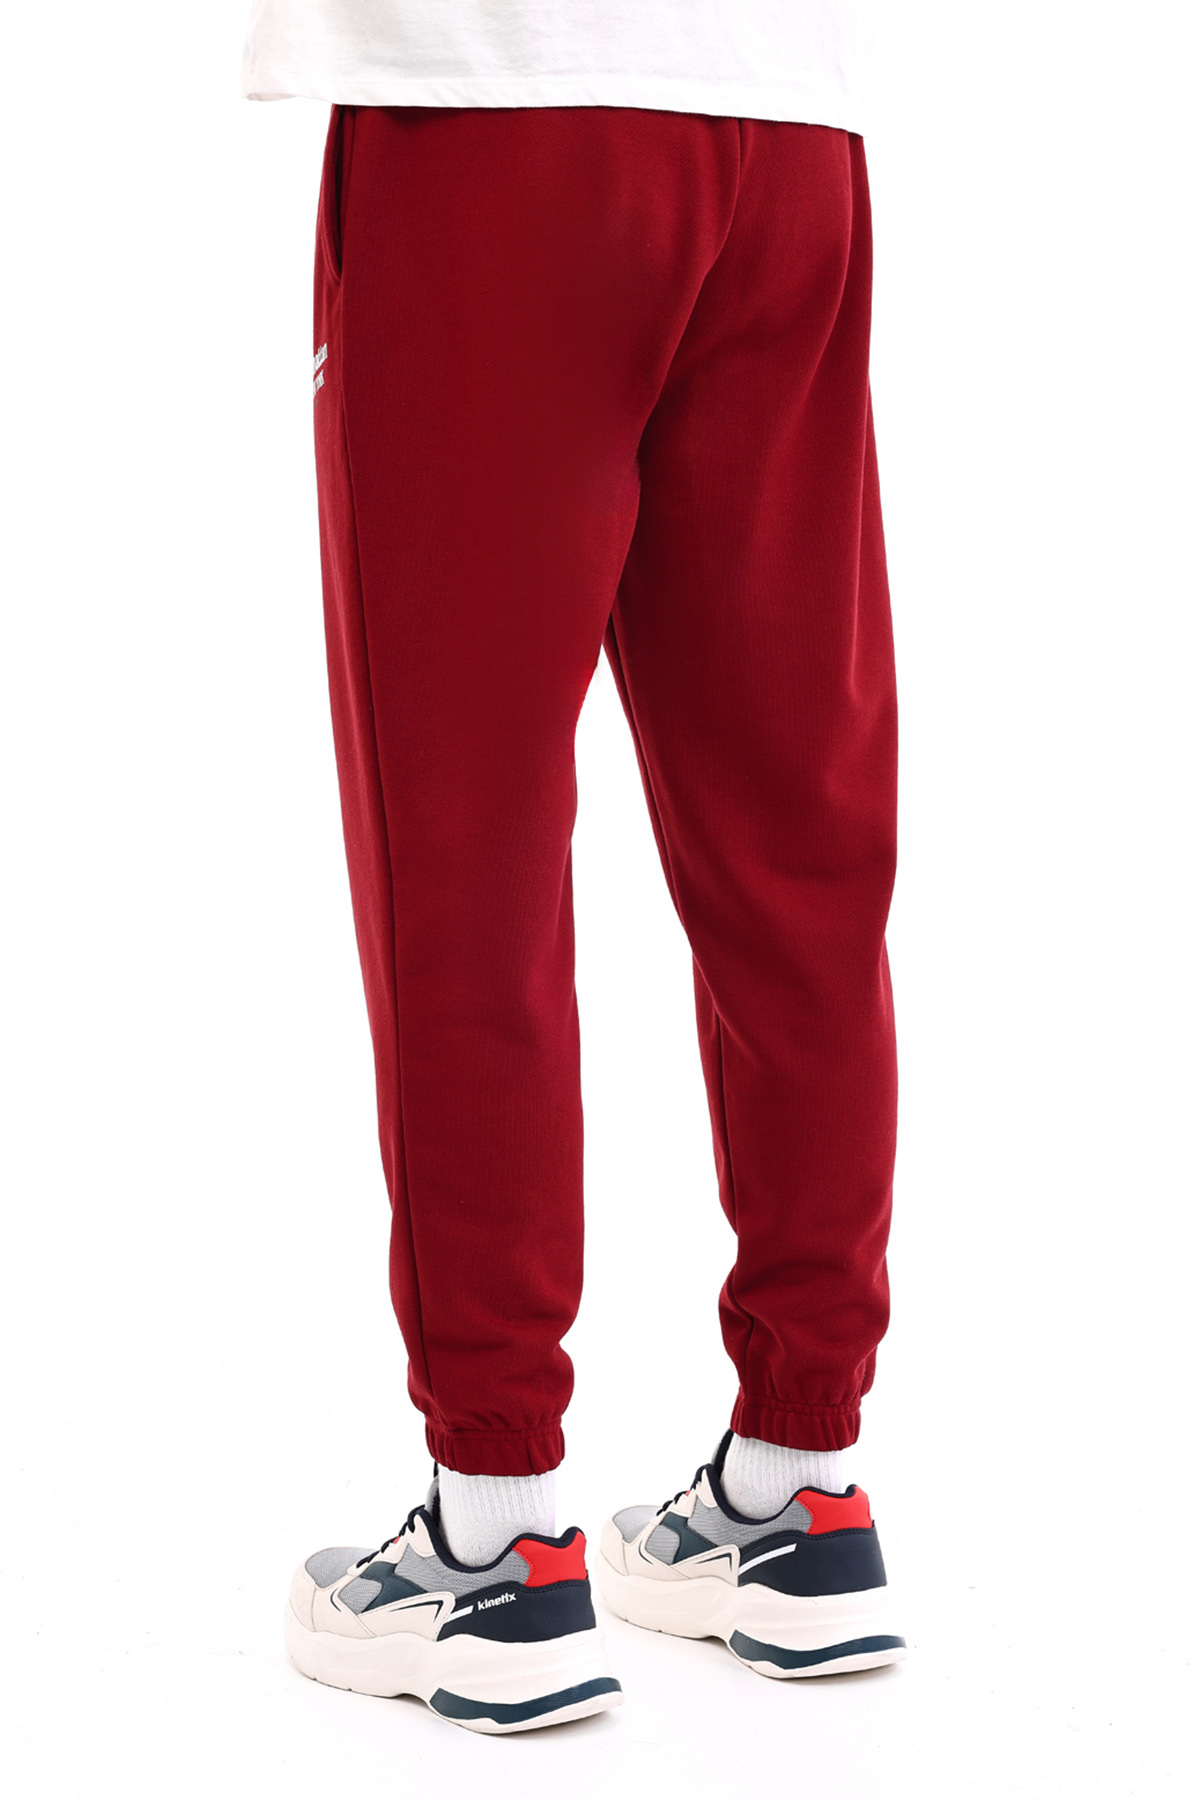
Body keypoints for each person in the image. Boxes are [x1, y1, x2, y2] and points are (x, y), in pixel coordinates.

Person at [245, 0, 905, 1733]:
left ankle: (499, 1539)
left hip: (499, 109)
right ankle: (800, 1493)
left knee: (456, 845)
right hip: (786, 129)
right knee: (800, 850)